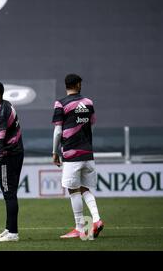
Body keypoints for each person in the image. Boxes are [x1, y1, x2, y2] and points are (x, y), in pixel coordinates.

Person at [52, 74, 104, 239]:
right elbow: (92, 125)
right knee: (85, 189)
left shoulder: (61, 103)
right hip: (88, 152)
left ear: (66, 85)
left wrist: (55, 151)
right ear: (78, 84)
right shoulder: (89, 102)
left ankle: (80, 228)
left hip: (71, 153)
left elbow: (58, 131)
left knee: (73, 189)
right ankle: (96, 220)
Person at [0, 81, 24, 242]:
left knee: (9, 193)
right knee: (9, 192)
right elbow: (3, 137)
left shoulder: (1, 112)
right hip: (13, 153)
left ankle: (13, 233)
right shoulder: (5, 106)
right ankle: (9, 228)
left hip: (10, 156)